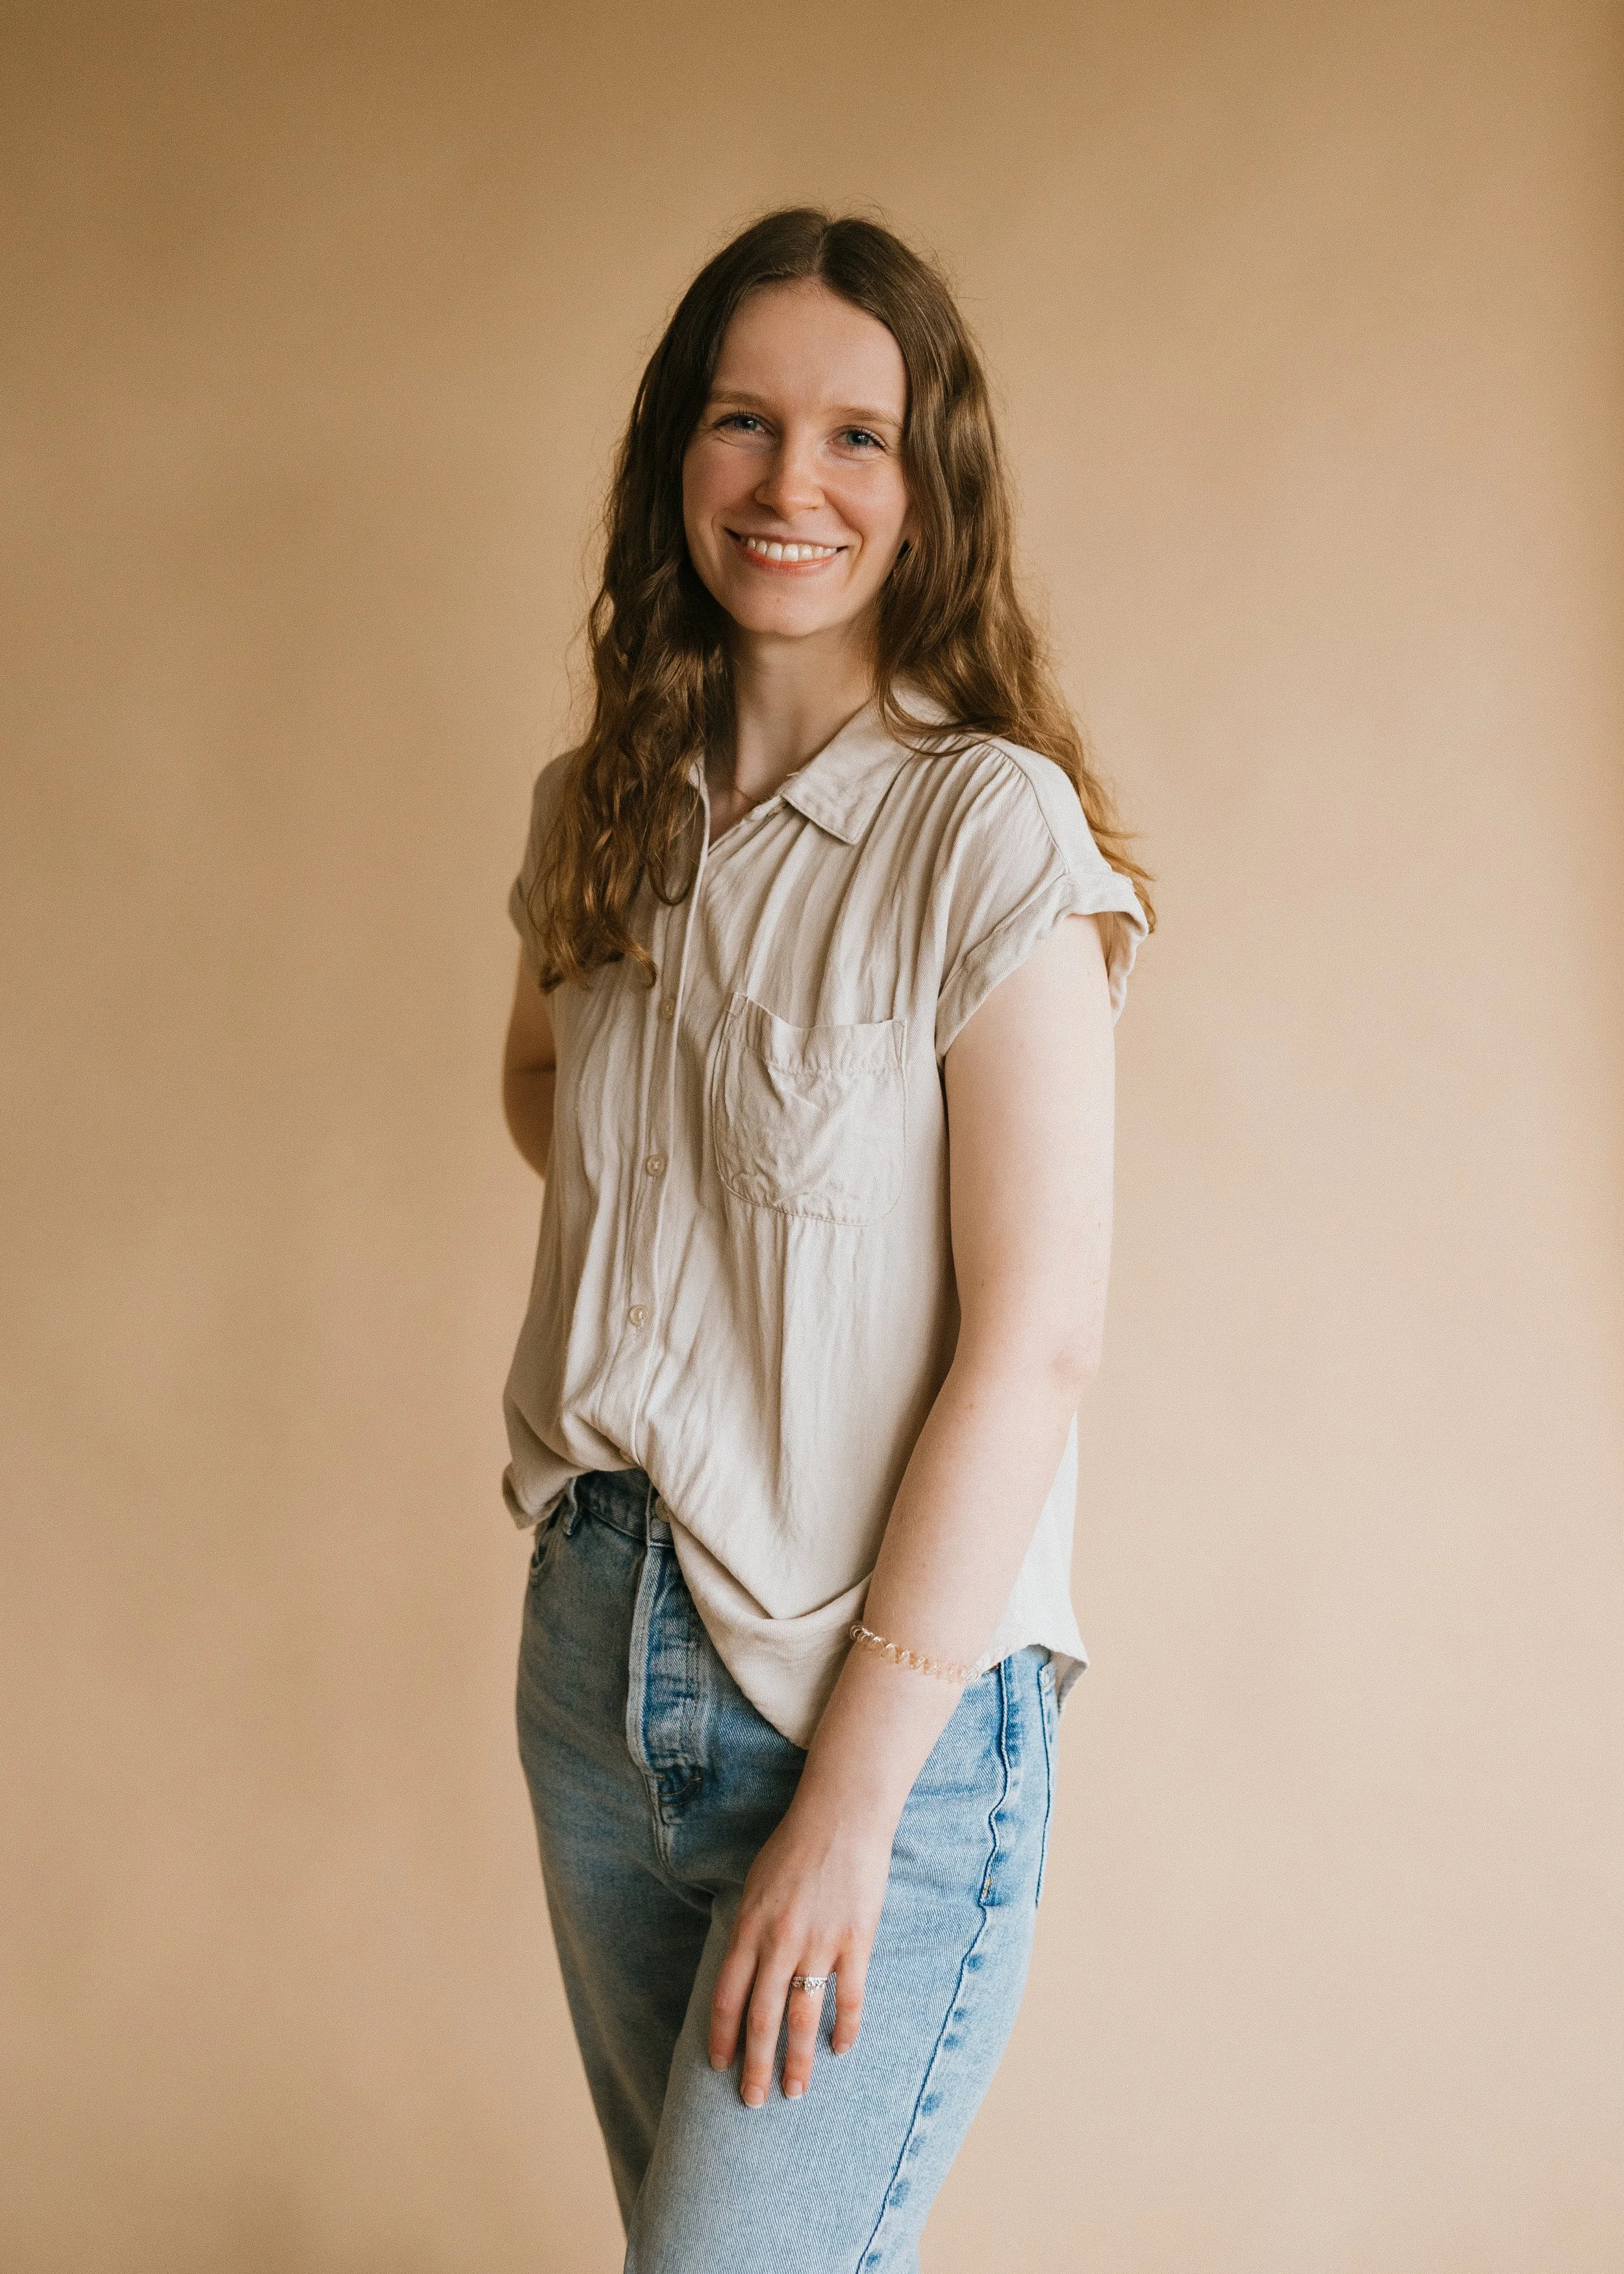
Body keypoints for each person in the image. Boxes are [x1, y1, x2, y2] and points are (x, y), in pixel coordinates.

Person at [499, 207, 1152, 2273]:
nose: (794, 482)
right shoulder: (599, 803)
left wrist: (851, 1806)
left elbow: (1031, 1345)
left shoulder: (987, 828)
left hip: (862, 1699)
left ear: (928, 483)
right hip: (598, 1661)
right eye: (745, 422)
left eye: (858, 436)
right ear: (673, 462)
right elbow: (552, 1091)